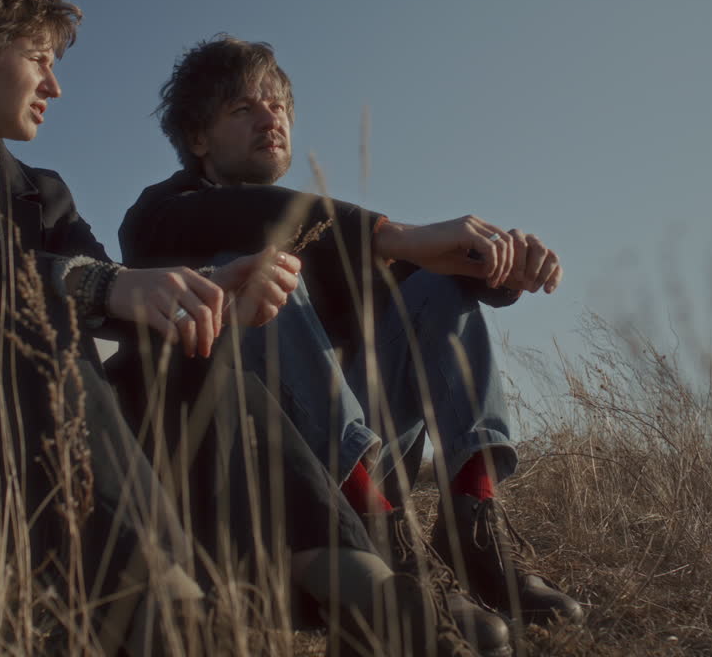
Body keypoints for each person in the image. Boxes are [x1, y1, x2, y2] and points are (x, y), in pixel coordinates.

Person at [0, 0, 485, 657]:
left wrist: (215, 290)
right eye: (38, 57)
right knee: (25, 340)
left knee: (186, 371)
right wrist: (95, 286)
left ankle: (365, 590)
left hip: (47, 428)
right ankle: (170, 614)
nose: (55, 86)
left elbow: (121, 294)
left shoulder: (44, 191)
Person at [120, 35, 584, 627]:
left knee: (438, 288)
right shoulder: (158, 216)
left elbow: (421, 280)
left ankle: (472, 527)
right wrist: (392, 233)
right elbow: (256, 220)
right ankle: (382, 554)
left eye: (279, 106)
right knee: (263, 270)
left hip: (358, 451)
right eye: (244, 109)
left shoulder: (334, 237)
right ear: (198, 139)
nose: (272, 118)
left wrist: (497, 263)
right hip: (254, 475)